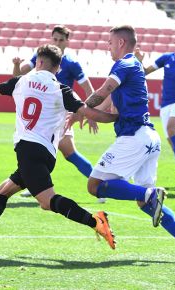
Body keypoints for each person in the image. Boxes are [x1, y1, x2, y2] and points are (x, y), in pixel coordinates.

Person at [0, 44, 118, 251]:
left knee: (47, 202)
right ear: (58, 69)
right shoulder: (61, 89)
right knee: (3, 191)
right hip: (45, 153)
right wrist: (116, 117)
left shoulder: (22, 81)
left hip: (28, 150)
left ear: (38, 62)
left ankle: (96, 221)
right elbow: (89, 112)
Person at [70, 25, 175, 263]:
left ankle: (150, 193)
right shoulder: (132, 70)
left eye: (110, 43)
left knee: (95, 185)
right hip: (148, 139)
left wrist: (78, 108)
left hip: (135, 138)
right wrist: (84, 113)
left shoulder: (125, 64)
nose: (108, 47)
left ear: (120, 43)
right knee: (144, 203)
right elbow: (107, 110)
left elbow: (102, 91)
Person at [13, 25, 106, 203]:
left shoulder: (71, 63)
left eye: (61, 40)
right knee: (39, 148)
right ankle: (36, 185)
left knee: (69, 153)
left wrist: (92, 112)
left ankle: (99, 186)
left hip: (60, 114)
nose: (57, 42)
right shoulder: (41, 57)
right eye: (54, 39)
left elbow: (87, 87)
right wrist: (17, 64)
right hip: (44, 114)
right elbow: (19, 74)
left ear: (67, 42)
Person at [135, 30, 175, 184]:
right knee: (173, 142)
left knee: (172, 129)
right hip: (165, 104)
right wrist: (139, 60)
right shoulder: (167, 58)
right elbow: (145, 72)